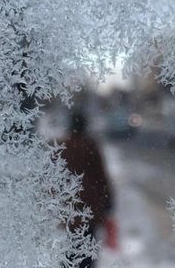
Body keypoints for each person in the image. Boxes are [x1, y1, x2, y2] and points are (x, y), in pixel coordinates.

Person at [60, 108, 116, 268]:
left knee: (72, 246)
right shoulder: (90, 146)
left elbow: (54, 177)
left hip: (70, 205)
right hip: (90, 206)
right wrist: (108, 201)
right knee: (87, 248)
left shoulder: (63, 146)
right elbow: (101, 177)